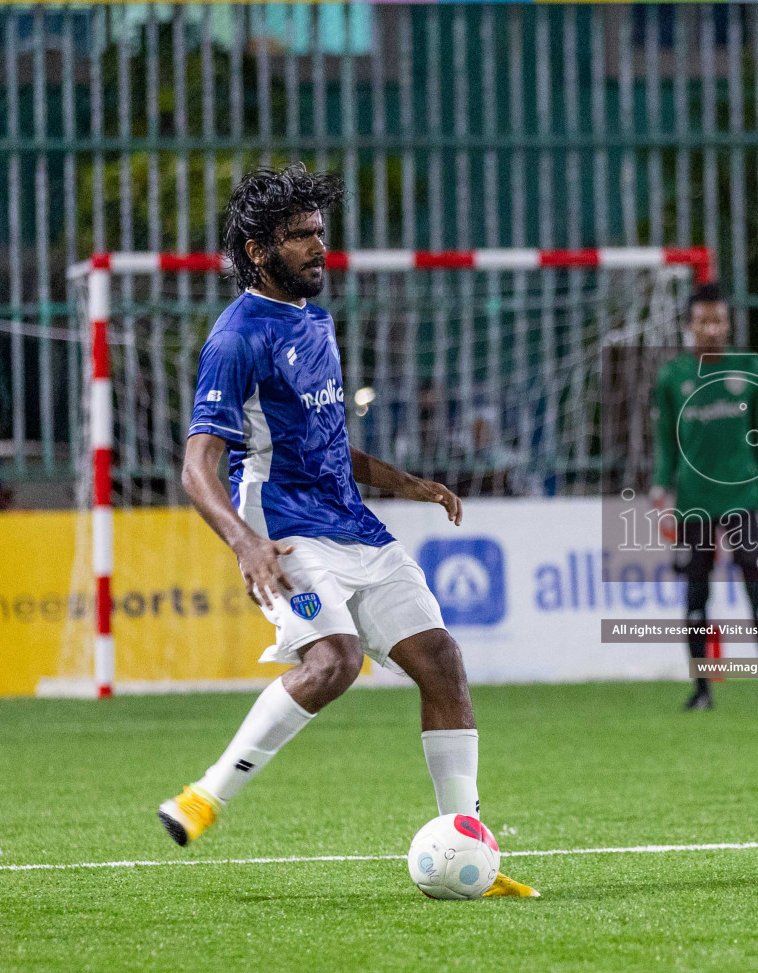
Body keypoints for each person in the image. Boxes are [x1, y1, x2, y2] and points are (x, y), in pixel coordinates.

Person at [158, 166, 538, 898]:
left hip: (353, 524)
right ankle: (206, 795)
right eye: (299, 237)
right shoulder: (236, 339)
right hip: (285, 529)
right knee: (333, 661)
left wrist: (404, 483)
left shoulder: (316, 320)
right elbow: (197, 465)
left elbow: (326, 440)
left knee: (442, 661)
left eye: (320, 233)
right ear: (257, 249)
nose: (317, 247)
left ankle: (469, 845)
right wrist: (245, 542)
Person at [650, 282, 758, 712]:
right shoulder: (672, 376)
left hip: (743, 495)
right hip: (693, 500)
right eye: (703, 321)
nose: (711, 328)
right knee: (697, 593)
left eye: (718, 320)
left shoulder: (750, 369)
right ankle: (701, 691)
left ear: (728, 323)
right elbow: (665, 442)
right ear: (689, 326)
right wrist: (659, 489)